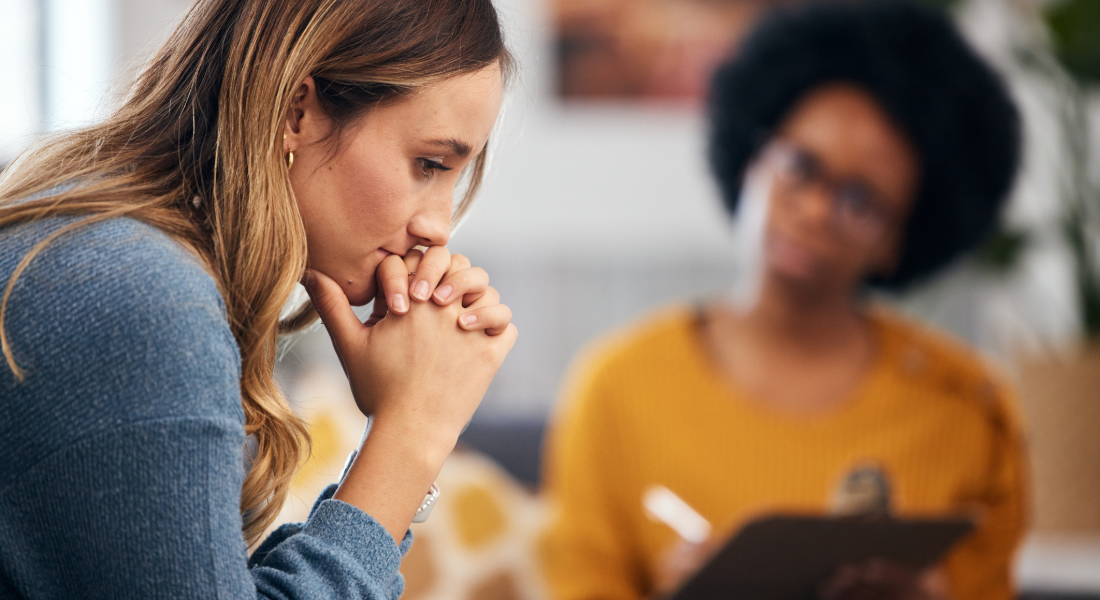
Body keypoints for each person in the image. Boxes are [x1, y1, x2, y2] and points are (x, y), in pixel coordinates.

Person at [0, 0, 518, 598]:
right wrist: (412, 432)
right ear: (297, 111)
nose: (438, 228)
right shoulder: (141, 299)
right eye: (428, 163)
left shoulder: (118, 258)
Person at [540, 2, 1026, 600]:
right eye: (800, 165)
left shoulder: (971, 409)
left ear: (899, 240)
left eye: (860, 200)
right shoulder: (615, 387)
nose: (816, 210)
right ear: (752, 156)